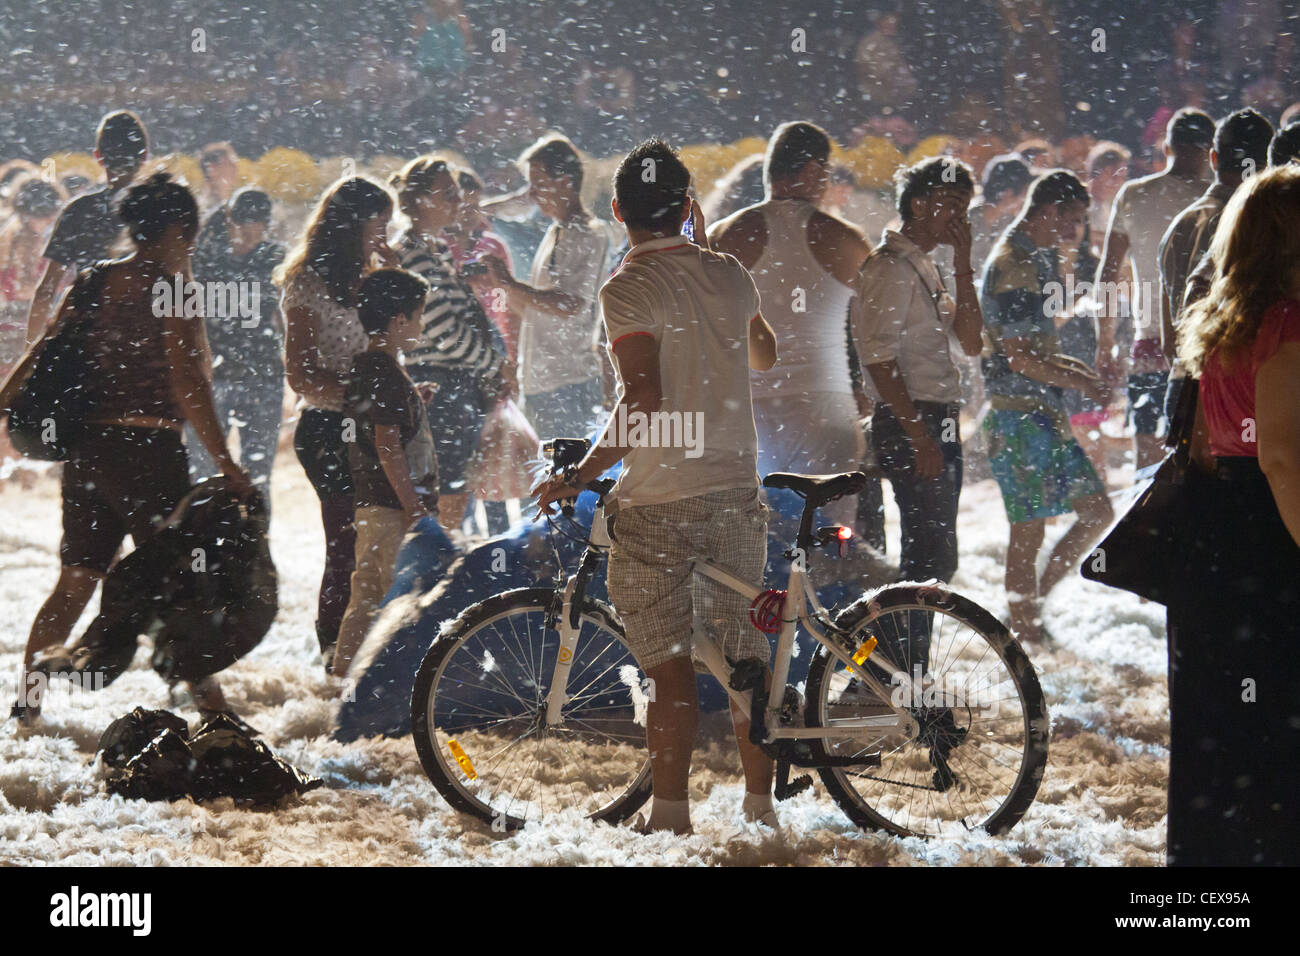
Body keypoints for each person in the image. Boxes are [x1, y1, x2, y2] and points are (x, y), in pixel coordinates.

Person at [535, 139, 779, 835]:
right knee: (743, 658)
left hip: (661, 499)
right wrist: (711, 262)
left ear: (617, 211)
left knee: (670, 666)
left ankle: (671, 817)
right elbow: (764, 354)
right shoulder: (730, 273)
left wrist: (582, 474)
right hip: (734, 485)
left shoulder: (625, 289)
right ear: (688, 206)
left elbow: (642, 395)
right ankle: (760, 816)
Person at [12, 174, 253, 726]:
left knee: (75, 580)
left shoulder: (95, 281)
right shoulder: (172, 289)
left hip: (89, 449)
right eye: (187, 235)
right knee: (176, 582)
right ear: (175, 229)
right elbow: (188, 378)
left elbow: (51, 348)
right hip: (149, 452)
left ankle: (26, 706)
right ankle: (214, 712)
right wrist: (225, 462)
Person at [1168, 164, 1300, 865]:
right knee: (1277, 713)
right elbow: (1281, 456)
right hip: (1270, 528)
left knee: (1223, 721)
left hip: (1221, 531)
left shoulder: (1226, 319)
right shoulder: (1287, 322)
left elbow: (1217, 444)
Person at [709, 122, 869, 529]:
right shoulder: (846, 239)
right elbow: (876, 331)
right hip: (826, 411)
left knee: (754, 548)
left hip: (749, 415)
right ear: (814, 171)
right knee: (829, 546)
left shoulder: (721, 236)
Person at [981, 171, 1114, 643]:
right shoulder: (1016, 262)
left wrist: (1083, 378)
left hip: (1039, 414)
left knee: (1097, 511)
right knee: (1029, 532)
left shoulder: (1034, 257)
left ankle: (1029, 610)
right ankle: (1023, 631)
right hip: (1017, 416)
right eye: (1073, 219)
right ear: (1049, 211)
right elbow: (1018, 358)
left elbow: (1035, 350)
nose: (1076, 230)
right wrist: (1080, 380)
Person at [277, 177, 398, 671]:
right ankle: (333, 650)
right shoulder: (306, 281)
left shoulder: (370, 276)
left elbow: (393, 347)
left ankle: (369, 643)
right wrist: (360, 397)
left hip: (373, 425)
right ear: (352, 226)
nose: (384, 236)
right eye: (378, 226)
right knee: (346, 541)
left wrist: (394, 283)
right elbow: (300, 373)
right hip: (328, 428)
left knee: (380, 537)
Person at [851, 156, 984, 583]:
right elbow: (878, 359)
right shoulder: (890, 265)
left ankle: (907, 648)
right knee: (928, 560)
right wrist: (918, 436)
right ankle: (901, 648)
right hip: (914, 419)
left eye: (964, 205)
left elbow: (971, 340)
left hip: (936, 416)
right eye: (950, 202)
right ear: (919, 204)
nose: (959, 215)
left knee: (936, 559)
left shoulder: (925, 264)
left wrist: (964, 262)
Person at [390, 156, 511, 535]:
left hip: (455, 389)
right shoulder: (410, 254)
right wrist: (496, 364)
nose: (459, 200)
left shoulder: (434, 252)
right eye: (448, 194)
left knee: (456, 491)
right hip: (440, 390)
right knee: (447, 494)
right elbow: (441, 330)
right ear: (422, 202)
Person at [332, 269, 438, 677]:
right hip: (393, 509)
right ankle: (386, 690)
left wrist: (414, 399)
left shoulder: (369, 367)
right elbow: (387, 444)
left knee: (366, 597)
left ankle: (343, 685)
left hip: (372, 505)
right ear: (399, 321)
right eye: (419, 315)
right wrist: (413, 506)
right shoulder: (387, 373)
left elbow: (380, 426)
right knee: (398, 600)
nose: (421, 325)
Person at [1095, 108, 1213, 470]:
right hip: (1204, 343)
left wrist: (1106, 342)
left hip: (1148, 341)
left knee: (1146, 452)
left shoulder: (1134, 195)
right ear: (1211, 152)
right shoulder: (1216, 198)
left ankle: (1145, 523)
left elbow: (1108, 272)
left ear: (1166, 146)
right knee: (1199, 452)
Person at [482, 135, 614, 442]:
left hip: (568, 382)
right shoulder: (558, 229)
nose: (532, 194)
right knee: (546, 484)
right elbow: (534, 304)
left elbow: (569, 305)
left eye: (538, 183)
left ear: (565, 182)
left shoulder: (586, 232)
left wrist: (509, 283)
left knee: (563, 484)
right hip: (544, 383)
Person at [1159, 108, 1274, 424]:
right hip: (1233, 390)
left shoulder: (1179, 226)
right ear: (1268, 166)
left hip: (1183, 384)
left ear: (1212, 157)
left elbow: (1171, 335)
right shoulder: (1255, 226)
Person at [185, 187, 288, 511]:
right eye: (241, 224)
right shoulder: (206, 259)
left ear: (265, 224)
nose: (246, 233)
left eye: (253, 225)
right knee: (202, 472)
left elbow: (286, 317)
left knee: (258, 475)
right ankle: (201, 546)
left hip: (261, 375)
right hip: (217, 376)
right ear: (229, 221)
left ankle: (255, 551)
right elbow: (189, 317)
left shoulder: (274, 259)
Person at [26, 110, 148, 345]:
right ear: (144, 157)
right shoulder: (160, 208)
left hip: (88, 337)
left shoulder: (79, 211)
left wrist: (31, 354)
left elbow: (46, 291)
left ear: (99, 157)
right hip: (146, 336)